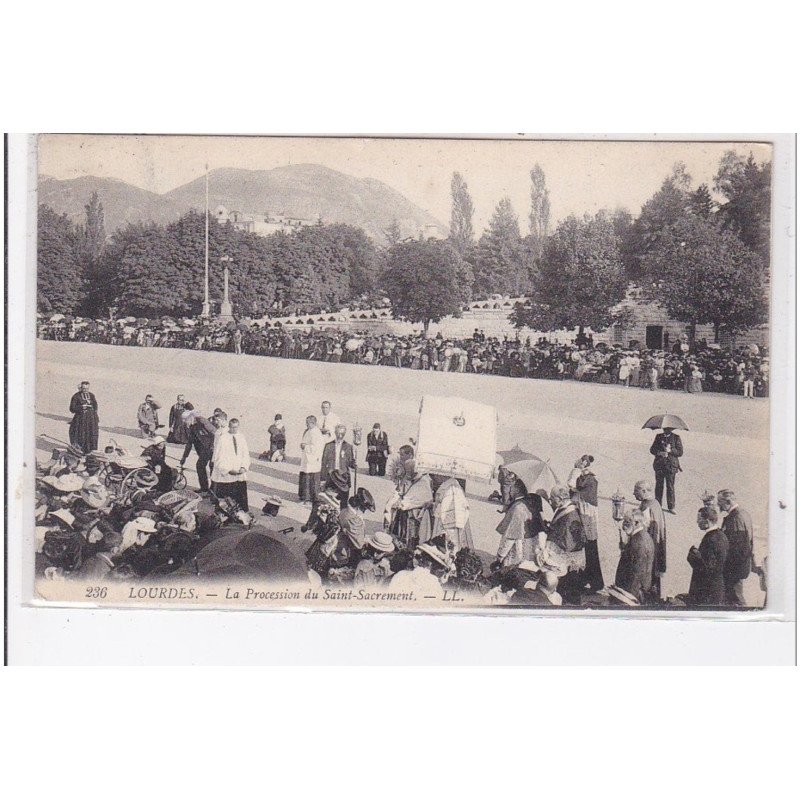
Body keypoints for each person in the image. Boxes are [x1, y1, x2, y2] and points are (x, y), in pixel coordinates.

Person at [545, 484, 586, 600]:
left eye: (552, 499)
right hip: (570, 552)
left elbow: (566, 538)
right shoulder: (567, 507)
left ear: (559, 498)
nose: (551, 501)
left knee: (566, 584)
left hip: (567, 554)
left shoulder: (570, 513)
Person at [494, 478, 545, 569]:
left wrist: (500, 556)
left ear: (517, 489)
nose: (509, 490)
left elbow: (511, 536)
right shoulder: (533, 501)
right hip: (532, 548)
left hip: (518, 551)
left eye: (511, 487)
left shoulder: (518, 507)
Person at [384, 457, 433, 550]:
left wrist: (398, 503)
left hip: (415, 516)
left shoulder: (423, 482)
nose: (407, 473)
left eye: (408, 470)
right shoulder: (415, 479)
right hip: (408, 514)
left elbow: (410, 501)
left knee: (410, 538)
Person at [718, 489, 754, 606]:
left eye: (720, 501)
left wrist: (729, 568)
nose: (718, 504)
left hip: (733, 569)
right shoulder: (742, 514)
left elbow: (738, 547)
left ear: (728, 501)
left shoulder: (736, 517)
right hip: (737, 568)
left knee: (736, 600)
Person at [687, 505, 728, 606]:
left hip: (707, 591)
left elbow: (707, 568)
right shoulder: (721, 535)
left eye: (699, 519)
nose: (697, 522)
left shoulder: (710, 539)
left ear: (707, 521)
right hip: (716, 588)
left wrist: (692, 557)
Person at [573, 456, 603, 591]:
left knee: (590, 551)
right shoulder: (589, 479)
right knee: (589, 552)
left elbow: (575, 486)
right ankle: (588, 579)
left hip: (587, 520)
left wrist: (577, 473)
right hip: (587, 519)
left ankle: (595, 582)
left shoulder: (588, 480)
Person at [634, 478, 667, 600]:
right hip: (655, 548)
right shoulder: (655, 503)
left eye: (635, 491)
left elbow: (641, 529)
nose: (633, 494)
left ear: (643, 491)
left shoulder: (647, 508)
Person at [613, 509, 655, 604]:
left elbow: (637, 573)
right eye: (625, 521)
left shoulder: (637, 542)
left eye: (628, 522)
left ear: (637, 523)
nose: (624, 525)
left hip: (631, 592)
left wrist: (628, 597)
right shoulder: (643, 536)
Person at [211, 418, 251, 511]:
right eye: (232, 427)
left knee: (240, 500)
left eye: (236, 427)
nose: (234, 429)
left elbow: (246, 454)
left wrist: (244, 467)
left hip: (239, 474)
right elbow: (218, 456)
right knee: (227, 502)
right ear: (229, 427)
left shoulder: (241, 437)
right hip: (227, 475)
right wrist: (228, 470)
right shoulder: (223, 438)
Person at [431, 474, 474, 555]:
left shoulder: (451, 488)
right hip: (447, 521)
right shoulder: (450, 485)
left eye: (436, 476)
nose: (435, 478)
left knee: (450, 545)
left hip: (449, 524)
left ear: (443, 475)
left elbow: (450, 509)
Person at [180, 404, 216, 493]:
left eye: (185, 419)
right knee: (200, 466)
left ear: (191, 417)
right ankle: (204, 488)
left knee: (213, 468)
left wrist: (213, 448)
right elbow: (189, 443)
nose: (184, 422)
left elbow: (215, 433)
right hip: (204, 450)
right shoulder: (192, 427)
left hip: (212, 449)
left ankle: (214, 490)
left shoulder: (202, 421)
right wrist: (184, 457)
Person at [649, 426, 683, 513]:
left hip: (671, 466)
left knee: (670, 486)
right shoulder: (658, 436)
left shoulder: (676, 437)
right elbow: (652, 449)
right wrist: (660, 453)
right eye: (665, 428)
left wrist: (671, 450)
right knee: (659, 486)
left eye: (669, 429)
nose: (667, 430)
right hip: (660, 465)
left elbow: (680, 452)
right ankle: (658, 505)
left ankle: (671, 507)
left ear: (672, 429)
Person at [320, 424, 356, 503]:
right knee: (329, 502)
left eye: (342, 434)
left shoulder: (348, 447)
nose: (340, 436)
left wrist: (354, 464)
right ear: (335, 433)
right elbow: (323, 463)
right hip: (331, 475)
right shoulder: (328, 446)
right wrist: (322, 479)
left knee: (343, 501)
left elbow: (350, 463)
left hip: (343, 476)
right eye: (338, 433)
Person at [299, 415, 324, 504]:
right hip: (307, 459)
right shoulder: (309, 431)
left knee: (310, 480)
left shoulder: (316, 433)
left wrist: (304, 446)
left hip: (312, 460)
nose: (306, 424)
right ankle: (304, 497)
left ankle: (309, 499)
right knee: (305, 478)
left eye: (307, 423)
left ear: (313, 423)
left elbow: (315, 447)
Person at [68, 381, 99, 453]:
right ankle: (79, 450)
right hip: (80, 419)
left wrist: (93, 412)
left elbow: (95, 405)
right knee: (80, 434)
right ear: (81, 388)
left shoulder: (91, 395)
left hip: (91, 419)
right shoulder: (76, 396)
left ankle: (89, 450)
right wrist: (82, 407)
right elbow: (72, 408)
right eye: (83, 388)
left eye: (87, 389)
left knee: (91, 434)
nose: (85, 390)